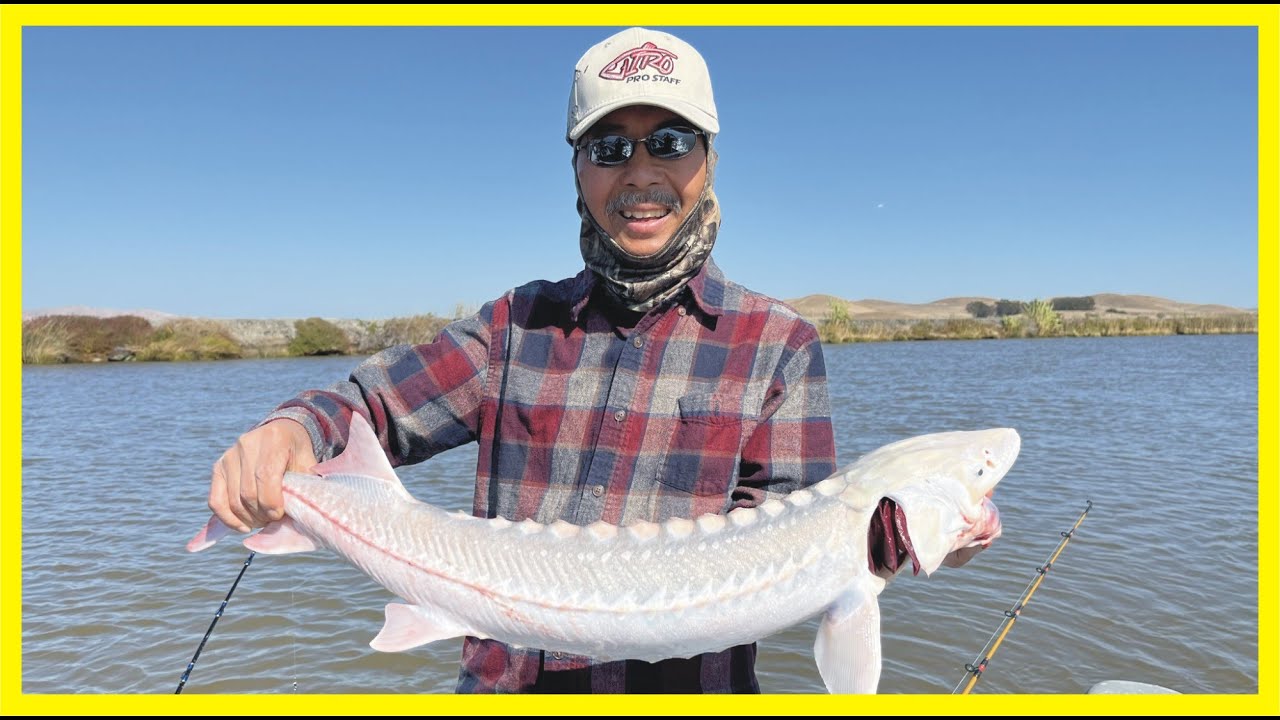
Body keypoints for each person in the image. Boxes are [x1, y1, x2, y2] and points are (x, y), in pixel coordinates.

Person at [206, 26, 837, 693]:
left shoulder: (780, 345)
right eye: (610, 147)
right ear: (578, 168)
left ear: (707, 159)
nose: (643, 172)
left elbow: (799, 547)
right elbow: (367, 405)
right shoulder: (512, 325)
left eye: (672, 142)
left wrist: (894, 543)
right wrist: (293, 430)